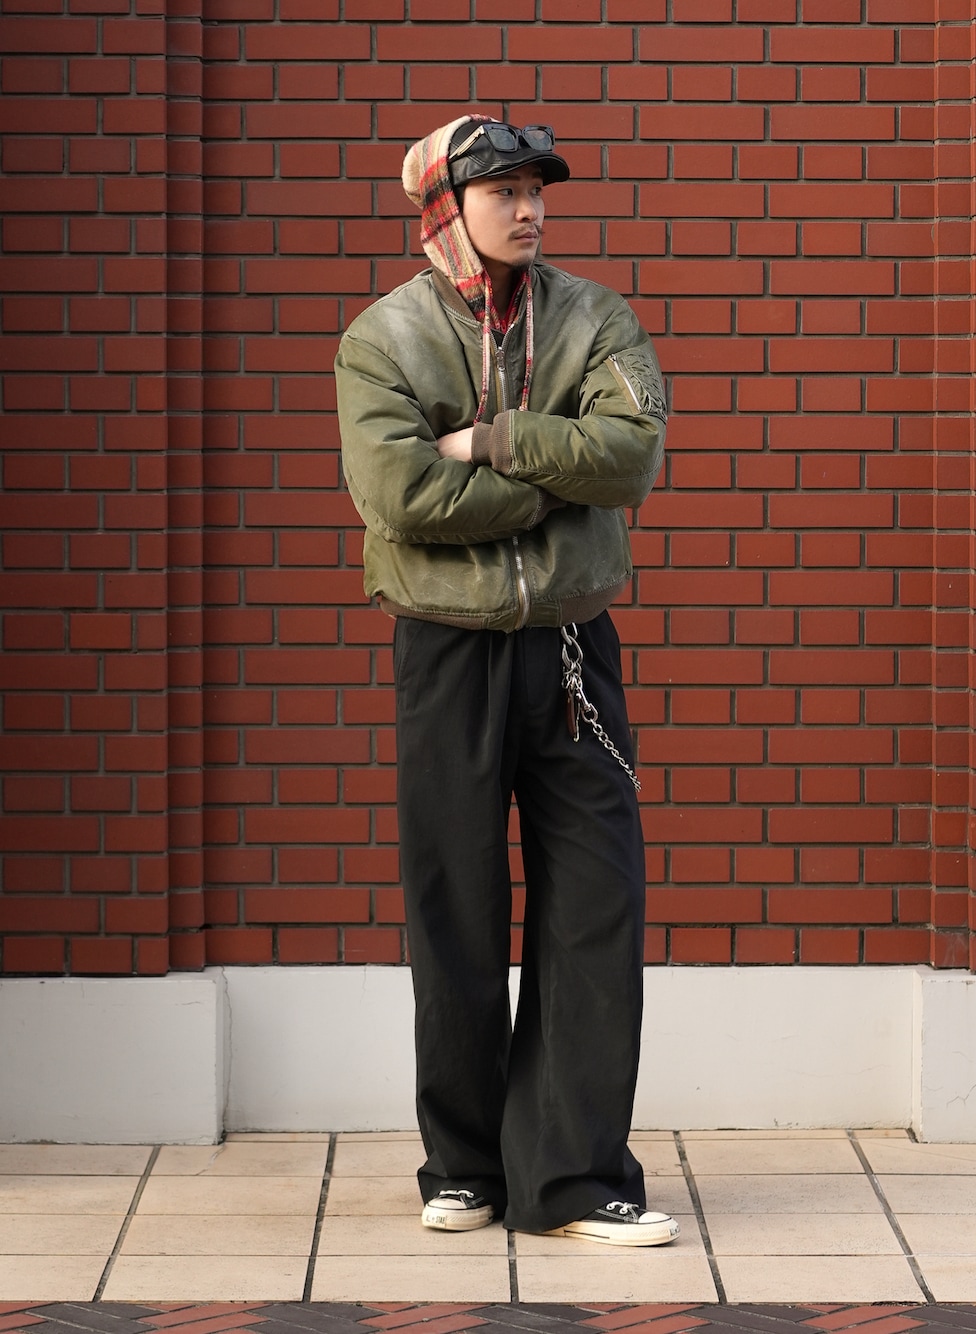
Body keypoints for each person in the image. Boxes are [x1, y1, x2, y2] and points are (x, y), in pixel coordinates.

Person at [333, 115, 674, 1247]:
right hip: (445, 649)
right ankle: (465, 1164)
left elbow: (631, 455)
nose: (528, 210)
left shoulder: (596, 317)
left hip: (573, 651)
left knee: (596, 904)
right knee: (457, 909)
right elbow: (400, 499)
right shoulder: (383, 339)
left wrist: (488, 441)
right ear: (445, 206)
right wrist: (556, 480)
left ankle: (574, 1177)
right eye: (502, 192)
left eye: (536, 191)